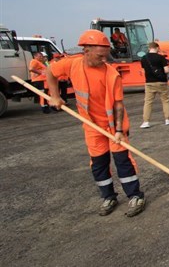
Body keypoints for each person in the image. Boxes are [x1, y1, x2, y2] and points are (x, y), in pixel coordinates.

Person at [46, 29, 145, 217]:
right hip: (91, 126)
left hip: (113, 125)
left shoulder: (111, 73)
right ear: (86, 50)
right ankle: (108, 197)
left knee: (122, 161)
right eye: (100, 55)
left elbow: (118, 104)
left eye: (106, 55)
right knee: (98, 163)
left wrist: (117, 130)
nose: (103, 59)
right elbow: (50, 71)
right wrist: (55, 95)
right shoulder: (72, 65)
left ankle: (135, 196)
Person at [140, 42, 169, 128]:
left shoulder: (144, 58)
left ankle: (146, 122)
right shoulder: (161, 58)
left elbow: (143, 71)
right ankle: (167, 119)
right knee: (165, 101)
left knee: (148, 102)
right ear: (157, 48)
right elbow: (166, 70)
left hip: (149, 83)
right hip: (162, 82)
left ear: (149, 48)